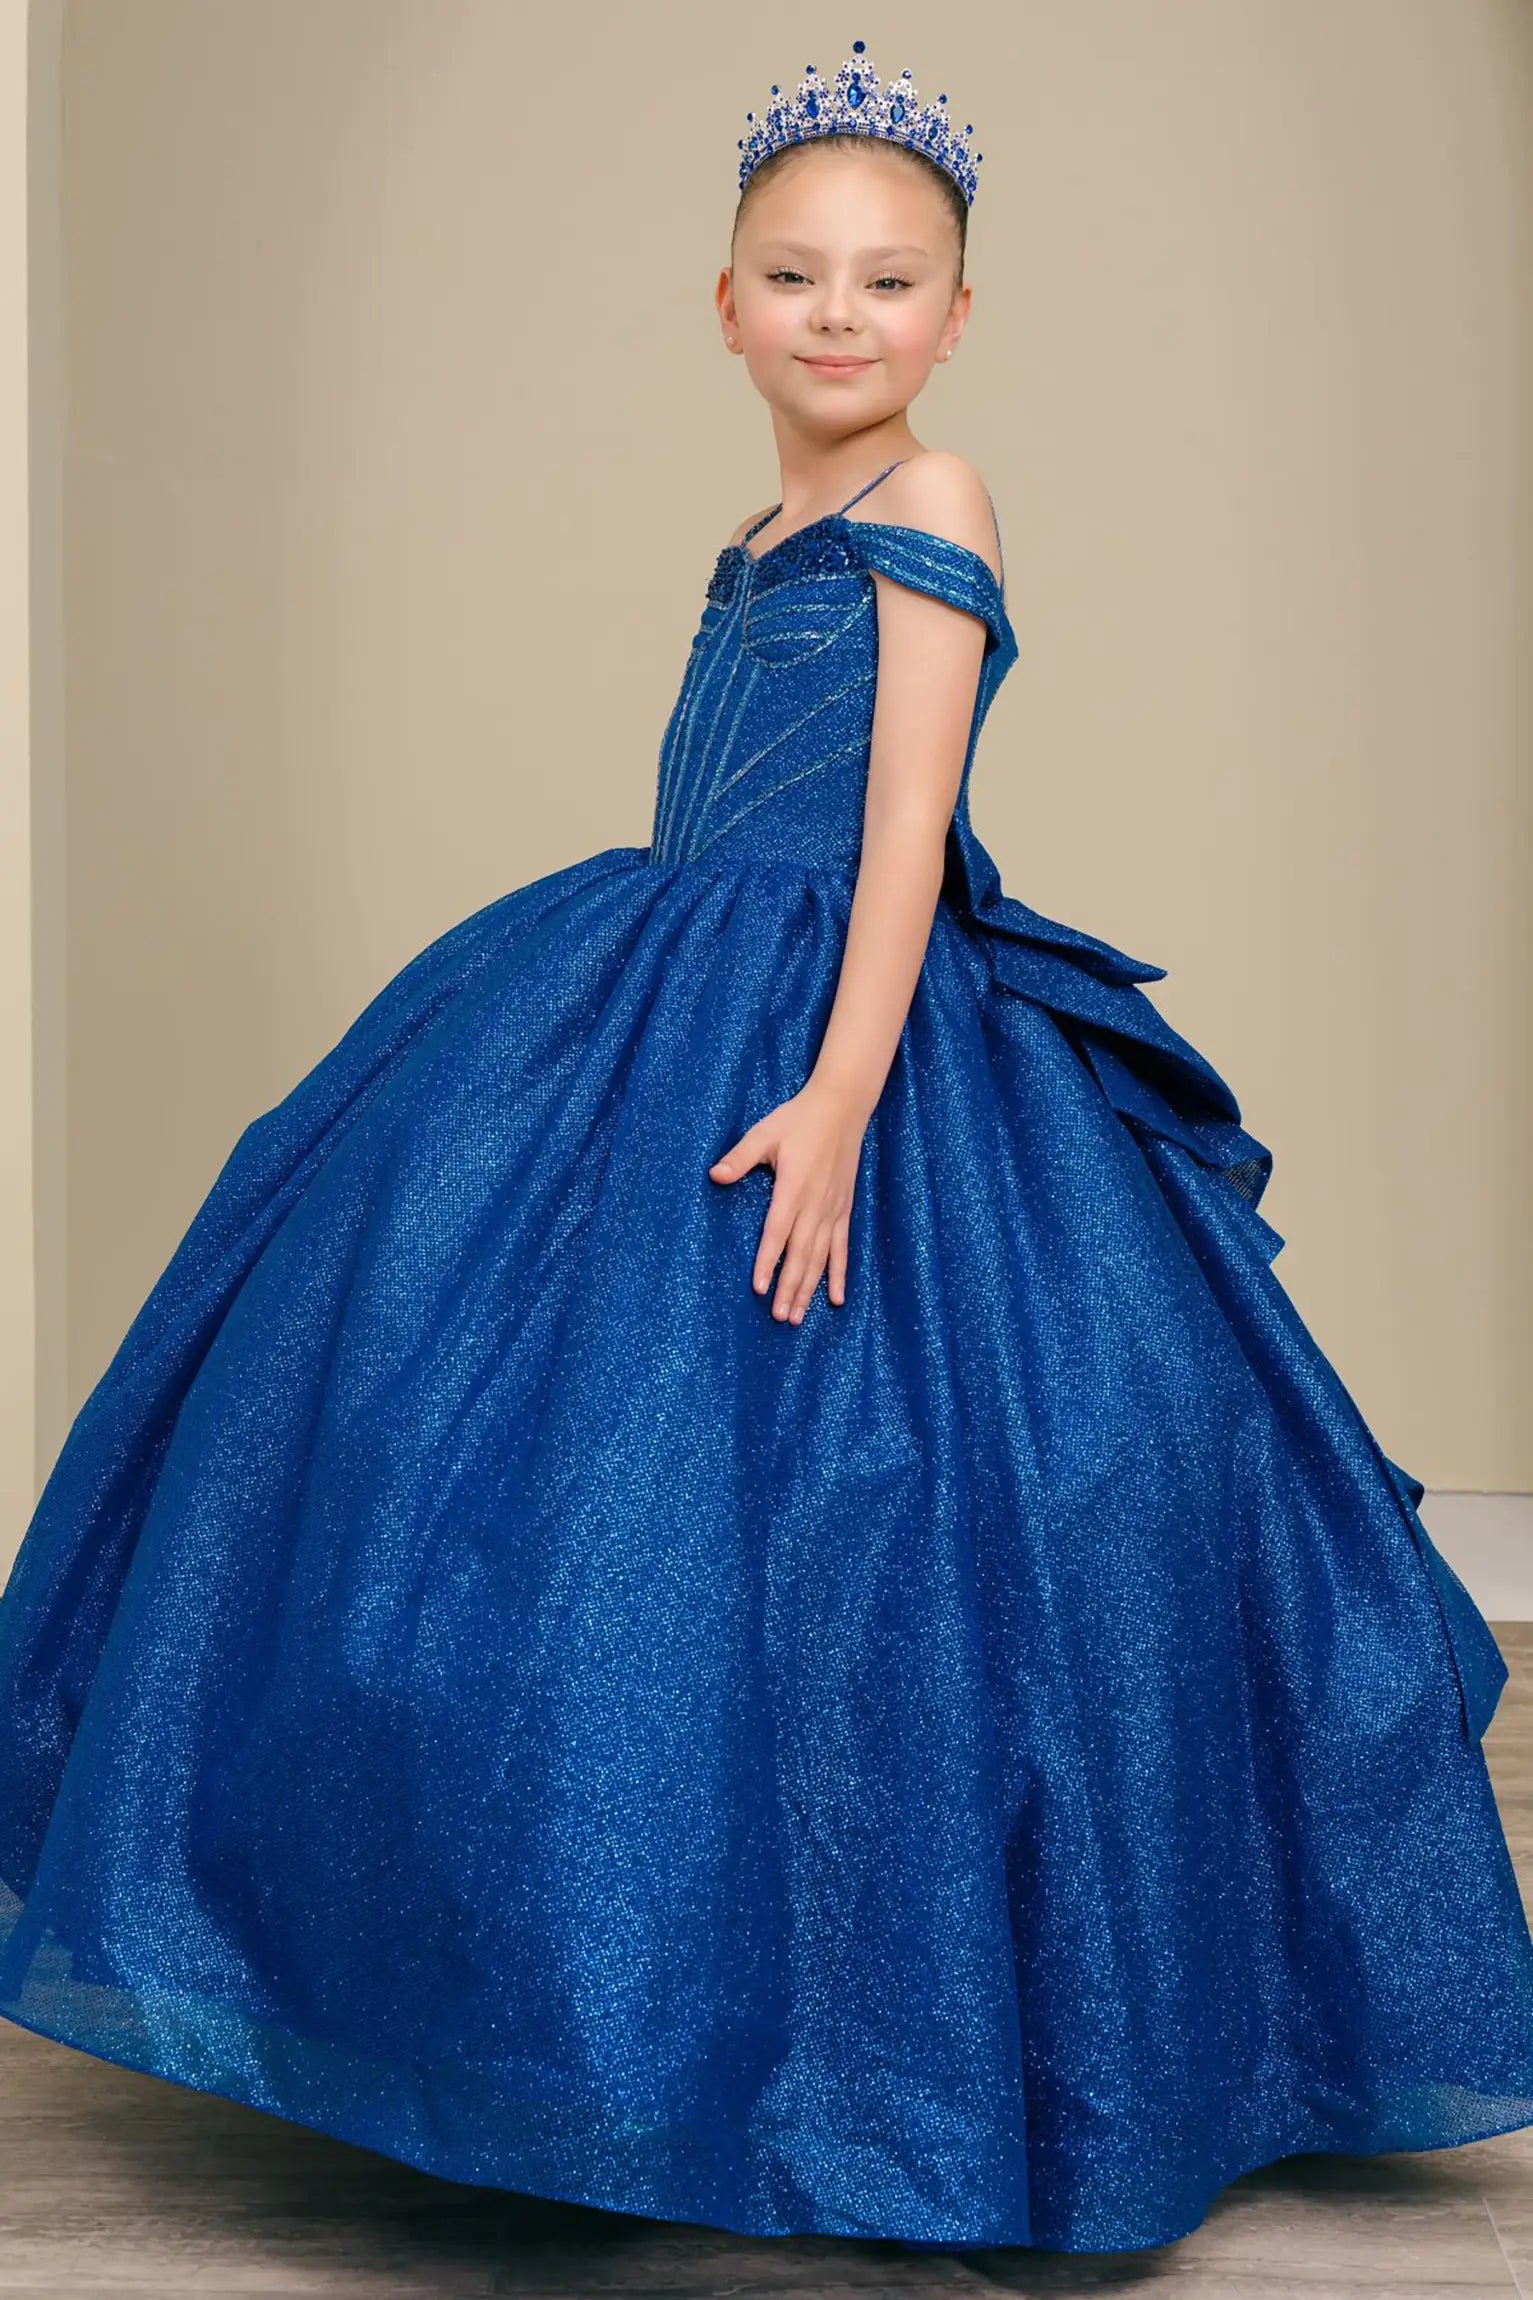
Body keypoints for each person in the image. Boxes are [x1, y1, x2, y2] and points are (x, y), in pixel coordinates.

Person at [1, 37, 1531, 2262]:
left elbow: (905, 826)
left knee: (928, 1504)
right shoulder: (752, 538)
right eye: (794, 275)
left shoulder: (938, 500)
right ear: (720, 304)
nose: (839, 314)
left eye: (888, 281)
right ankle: (590, 2011)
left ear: (956, 316)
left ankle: (943, 2058)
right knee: (583, 1484)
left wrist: (834, 1094)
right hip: (661, 969)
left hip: (850, 1020)